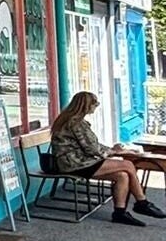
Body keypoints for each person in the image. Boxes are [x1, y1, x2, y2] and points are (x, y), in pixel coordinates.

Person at [50, 91, 165, 226]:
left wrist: (112, 150)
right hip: (74, 164)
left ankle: (119, 213)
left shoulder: (69, 119)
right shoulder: (76, 123)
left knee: (122, 175)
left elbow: (92, 145)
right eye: (94, 104)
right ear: (86, 106)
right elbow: (92, 149)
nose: (96, 107)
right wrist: (113, 152)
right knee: (127, 165)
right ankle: (142, 202)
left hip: (74, 162)